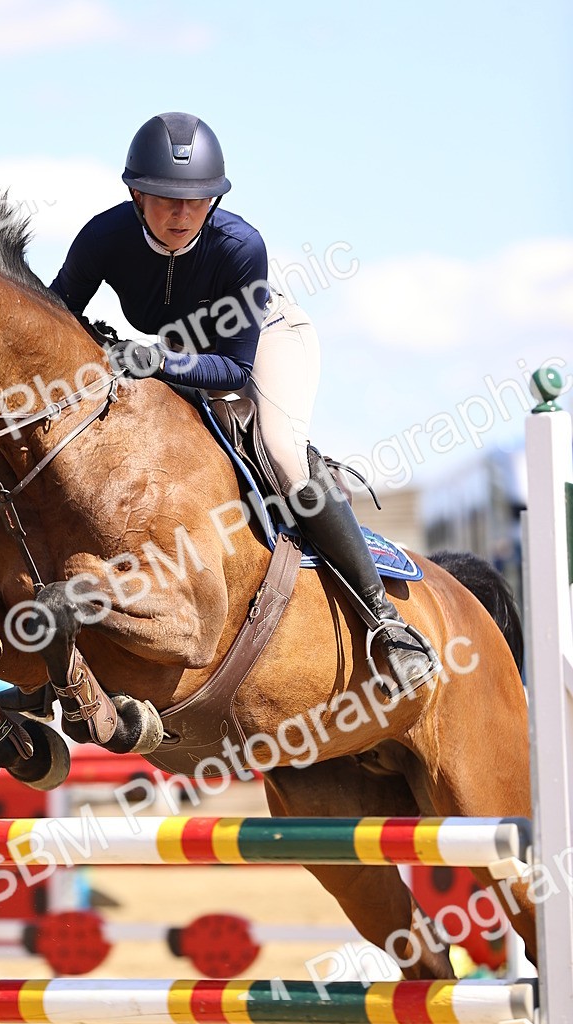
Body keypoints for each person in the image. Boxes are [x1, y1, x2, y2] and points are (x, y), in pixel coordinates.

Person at [50, 111, 437, 696]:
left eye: (198, 200)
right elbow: (56, 321)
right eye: (167, 199)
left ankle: (385, 619)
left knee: (281, 452)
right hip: (177, 351)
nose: (183, 214)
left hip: (264, 339)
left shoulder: (240, 247)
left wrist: (154, 360)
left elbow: (233, 369)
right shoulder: (103, 238)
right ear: (135, 193)